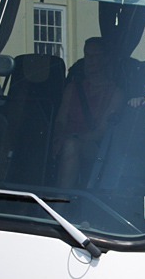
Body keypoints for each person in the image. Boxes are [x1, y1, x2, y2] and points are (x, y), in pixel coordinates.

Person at [51, 36, 127, 188]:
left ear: (106, 59)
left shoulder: (116, 94)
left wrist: (71, 138)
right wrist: (57, 137)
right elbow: (60, 120)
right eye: (87, 55)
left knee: (71, 146)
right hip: (65, 141)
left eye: (96, 55)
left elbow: (101, 133)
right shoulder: (72, 88)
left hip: (95, 148)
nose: (90, 60)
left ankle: (61, 200)